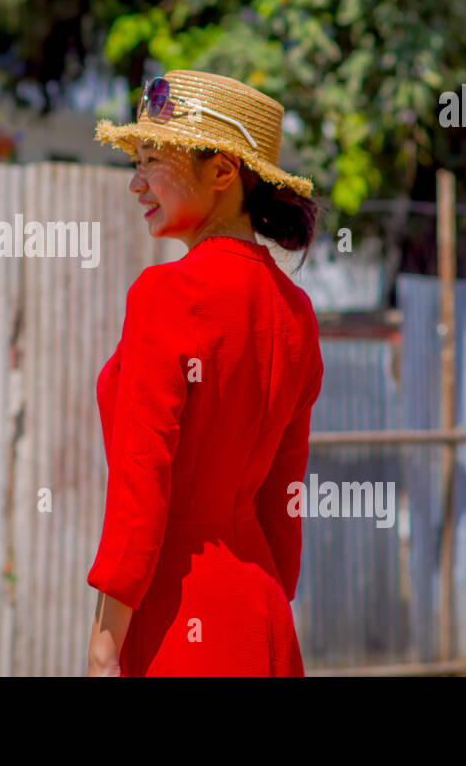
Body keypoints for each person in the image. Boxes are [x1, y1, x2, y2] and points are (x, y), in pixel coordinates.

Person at [86, 69, 325, 676]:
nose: (136, 183)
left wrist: (104, 645)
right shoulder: (296, 313)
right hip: (263, 615)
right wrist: (271, 602)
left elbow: (141, 489)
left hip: (177, 617)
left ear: (222, 172)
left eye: (150, 162)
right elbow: (284, 502)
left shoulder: (167, 294)